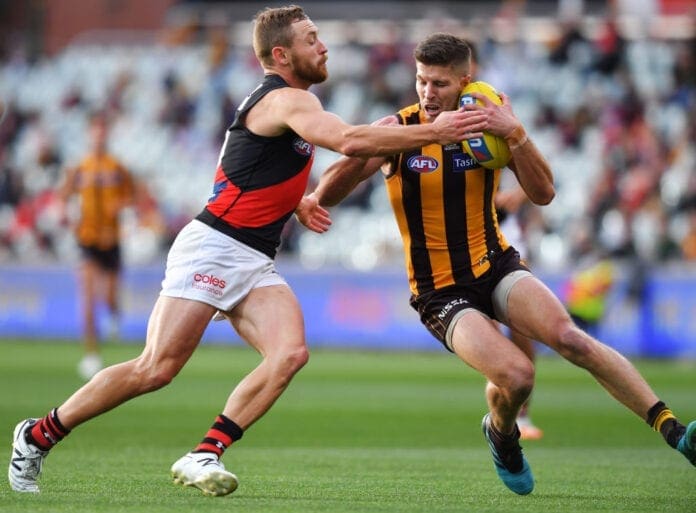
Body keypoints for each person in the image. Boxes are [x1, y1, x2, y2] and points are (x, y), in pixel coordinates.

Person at [8, 6, 488, 496]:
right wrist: (438, 130)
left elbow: (256, 167)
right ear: (282, 54)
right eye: (311, 39)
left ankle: (204, 453)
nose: (323, 46)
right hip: (214, 248)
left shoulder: (294, 104)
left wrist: (295, 201)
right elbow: (348, 141)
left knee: (290, 353)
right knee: (155, 369)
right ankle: (37, 434)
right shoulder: (285, 101)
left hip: (253, 257)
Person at [296, 32, 696, 495]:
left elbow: (544, 194)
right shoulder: (400, 130)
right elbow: (337, 182)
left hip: (496, 266)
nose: (427, 93)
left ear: (467, 81)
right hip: (439, 292)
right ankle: (501, 432)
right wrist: (321, 194)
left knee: (572, 339)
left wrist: (515, 132)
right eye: (422, 81)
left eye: (440, 84)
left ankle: (674, 431)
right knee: (517, 376)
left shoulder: (488, 130)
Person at [57, 112, 137, 380]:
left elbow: (132, 197)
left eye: (103, 131)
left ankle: (114, 314)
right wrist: (66, 213)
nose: (99, 135)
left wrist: (121, 206)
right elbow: (63, 197)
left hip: (111, 241)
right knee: (88, 299)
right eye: (95, 131)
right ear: (89, 134)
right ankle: (91, 355)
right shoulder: (80, 167)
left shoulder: (117, 168)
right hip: (87, 240)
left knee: (109, 298)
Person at [494, 184, 543, 440]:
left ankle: (522, 414)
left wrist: (518, 195)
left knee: (521, 326)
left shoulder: (504, 143)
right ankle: (500, 414)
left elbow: (541, 173)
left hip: (505, 233)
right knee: (488, 331)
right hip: (468, 230)